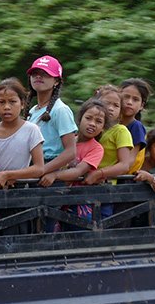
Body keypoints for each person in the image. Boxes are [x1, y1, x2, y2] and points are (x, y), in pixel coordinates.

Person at [40, 99, 107, 230]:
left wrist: (55, 175)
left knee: (76, 237)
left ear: (103, 128)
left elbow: (78, 171)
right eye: (88, 118)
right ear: (79, 119)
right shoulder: (67, 141)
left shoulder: (96, 148)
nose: (92, 124)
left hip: (78, 202)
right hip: (56, 197)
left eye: (98, 121)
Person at [0, 78, 45, 187]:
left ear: (22, 104)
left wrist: (9, 175)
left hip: (19, 190)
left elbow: (39, 168)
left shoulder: (31, 130)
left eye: (12, 102)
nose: (6, 107)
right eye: (1, 102)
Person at [27, 55, 77, 177]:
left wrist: (41, 170)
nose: (38, 76)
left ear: (56, 81)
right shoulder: (33, 110)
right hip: (33, 167)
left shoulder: (60, 110)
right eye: (35, 73)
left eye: (45, 74)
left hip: (49, 172)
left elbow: (71, 152)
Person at [84, 85, 134, 190]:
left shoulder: (121, 131)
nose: (111, 108)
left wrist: (99, 173)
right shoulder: (91, 128)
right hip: (82, 181)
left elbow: (124, 165)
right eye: (107, 103)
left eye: (116, 105)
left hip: (104, 186)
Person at [120, 78, 152, 174]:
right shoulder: (111, 124)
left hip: (124, 177)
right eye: (126, 97)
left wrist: (106, 173)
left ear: (141, 105)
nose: (129, 102)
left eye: (135, 99)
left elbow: (129, 161)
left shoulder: (136, 127)